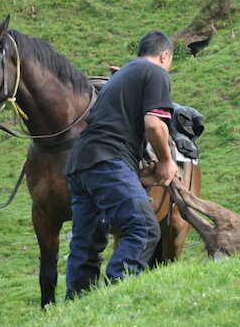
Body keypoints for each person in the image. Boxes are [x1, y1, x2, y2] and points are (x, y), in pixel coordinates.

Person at [64, 30, 178, 299]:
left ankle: (77, 303)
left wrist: (135, 172)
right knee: (144, 227)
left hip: (80, 163)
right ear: (165, 55)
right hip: (107, 160)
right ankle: (117, 295)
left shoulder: (123, 75)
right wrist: (166, 161)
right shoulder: (156, 72)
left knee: (86, 241)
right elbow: (154, 124)